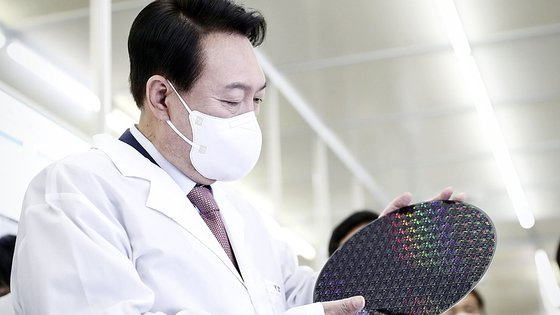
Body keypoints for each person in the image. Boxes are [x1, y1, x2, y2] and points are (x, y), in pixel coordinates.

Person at [11, 0, 464, 314]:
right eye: (231, 101)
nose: (248, 118)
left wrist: (379, 258)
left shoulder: (239, 215)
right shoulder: (76, 192)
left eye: (257, 100)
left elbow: (301, 297)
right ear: (162, 97)